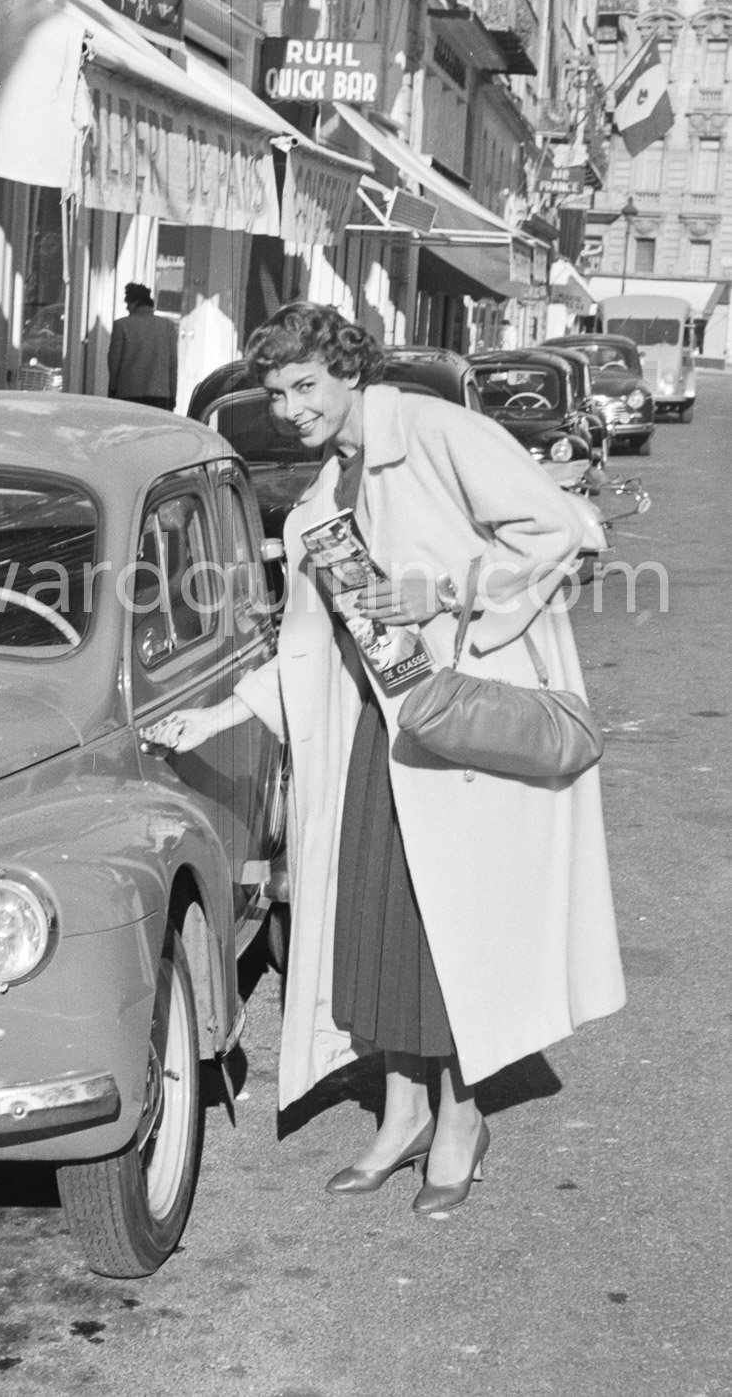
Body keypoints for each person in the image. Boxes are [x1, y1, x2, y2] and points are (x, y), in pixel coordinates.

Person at [146, 302, 624, 1215]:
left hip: (461, 722)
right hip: (380, 731)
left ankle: (462, 1116)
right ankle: (401, 1112)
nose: (291, 409)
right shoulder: (326, 493)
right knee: (377, 923)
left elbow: (560, 531)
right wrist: (210, 720)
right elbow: (306, 649)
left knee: (453, 934)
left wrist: (445, 591)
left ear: (349, 369)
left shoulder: (440, 431)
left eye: (306, 386)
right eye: (277, 392)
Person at [107, 283, 178, 411]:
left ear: (135, 303)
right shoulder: (168, 326)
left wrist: (112, 390)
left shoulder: (121, 325)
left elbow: (114, 364)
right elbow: (172, 365)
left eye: (127, 303)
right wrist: (172, 395)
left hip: (129, 392)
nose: (127, 307)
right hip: (160, 394)